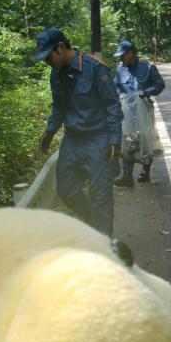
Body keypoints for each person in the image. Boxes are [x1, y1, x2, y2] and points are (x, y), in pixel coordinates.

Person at [34, 27, 123, 237]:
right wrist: (50, 131)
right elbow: (59, 107)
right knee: (66, 190)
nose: (48, 62)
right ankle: (94, 221)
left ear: (61, 47)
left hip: (98, 139)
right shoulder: (55, 75)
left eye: (49, 57)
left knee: (100, 195)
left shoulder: (94, 68)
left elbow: (112, 106)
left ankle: (104, 245)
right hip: (72, 140)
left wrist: (115, 139)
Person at [113, 40, 165, 187]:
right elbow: (115, 86)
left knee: (145, 141)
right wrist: (118, 97)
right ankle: (127, 176)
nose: (121, 58)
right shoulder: (120, 69)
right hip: (126, 112)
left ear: (131, 53)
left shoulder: (148, 68)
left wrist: (146, 92)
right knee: (128, 142)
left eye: (123, 55)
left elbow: (160, 84)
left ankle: (145, 172)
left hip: (144, 110)